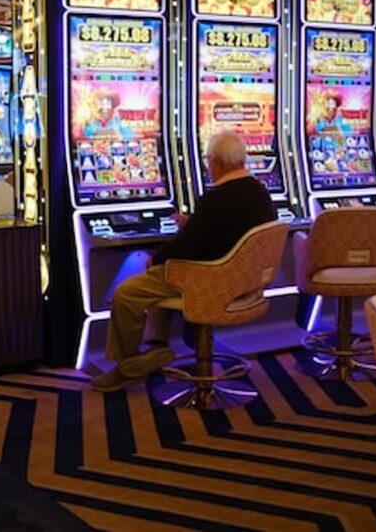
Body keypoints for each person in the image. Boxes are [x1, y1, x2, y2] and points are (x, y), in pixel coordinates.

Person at [92, 130, 276, 392]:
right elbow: (225, 231)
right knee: (164, 274)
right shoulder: (260, 192)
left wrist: (156, 258)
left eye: (208, 161)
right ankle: (157, 347)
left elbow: (187, 246)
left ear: (216, 163)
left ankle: (125, 365)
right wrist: (193, 224)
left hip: (211, 283)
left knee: (129, 291)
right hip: (245, 283)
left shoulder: (217, 199)